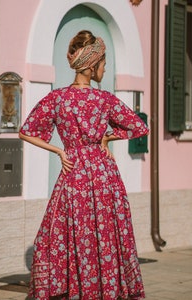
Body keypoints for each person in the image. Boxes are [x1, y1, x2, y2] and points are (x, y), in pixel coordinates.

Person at [19, 30, 148, 300]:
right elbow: (139, 127)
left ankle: (70, 288)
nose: (105, 68)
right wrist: (107, 137)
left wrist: (59, 150)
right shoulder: (105, 100)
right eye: (103, 63)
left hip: (74, 171)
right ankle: (107, 290)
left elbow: (25, 131)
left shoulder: (57, 99)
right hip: (104, 175)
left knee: (68, 232)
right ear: (91, 66)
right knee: (107, 233)